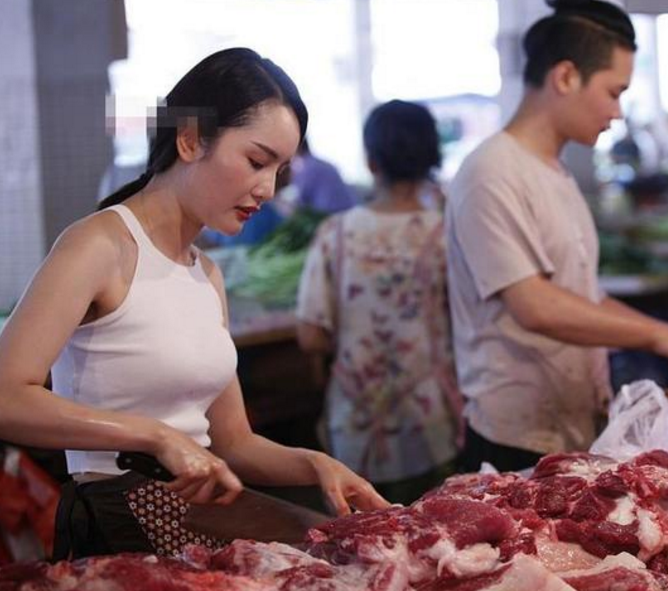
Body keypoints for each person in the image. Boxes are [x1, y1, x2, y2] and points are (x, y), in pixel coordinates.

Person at [0, 48, 388, 560]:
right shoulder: (98, 245)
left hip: (198, 515)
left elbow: (233, 443)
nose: (267, 189)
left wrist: (313, 463)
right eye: (256, 161)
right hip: (119, 520)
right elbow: (7, 395)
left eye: (279, 170)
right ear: (189, 140)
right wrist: (155, 437)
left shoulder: (206, 274)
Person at [445, 0, 668, 474]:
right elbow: (536, 305)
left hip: (572, 426)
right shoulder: (492, 172)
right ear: (566, 76)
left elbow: (582, 298)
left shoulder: (554, 171)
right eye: (614, 92)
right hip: (515, 440)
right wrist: (664, 337)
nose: (617, 112)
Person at [296, 100, 462, 505]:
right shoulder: (447, 233)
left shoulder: (336, 233)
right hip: (432, 422)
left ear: (371, 162)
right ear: (432, 161)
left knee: (360, 543)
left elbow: (311, 336)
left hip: (357, 426)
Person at [289, 138, 359, 214]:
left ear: (297, 147)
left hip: (331, 214)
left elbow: (301, 200)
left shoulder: (306, 167)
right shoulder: (321, 163)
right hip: (350, 211)